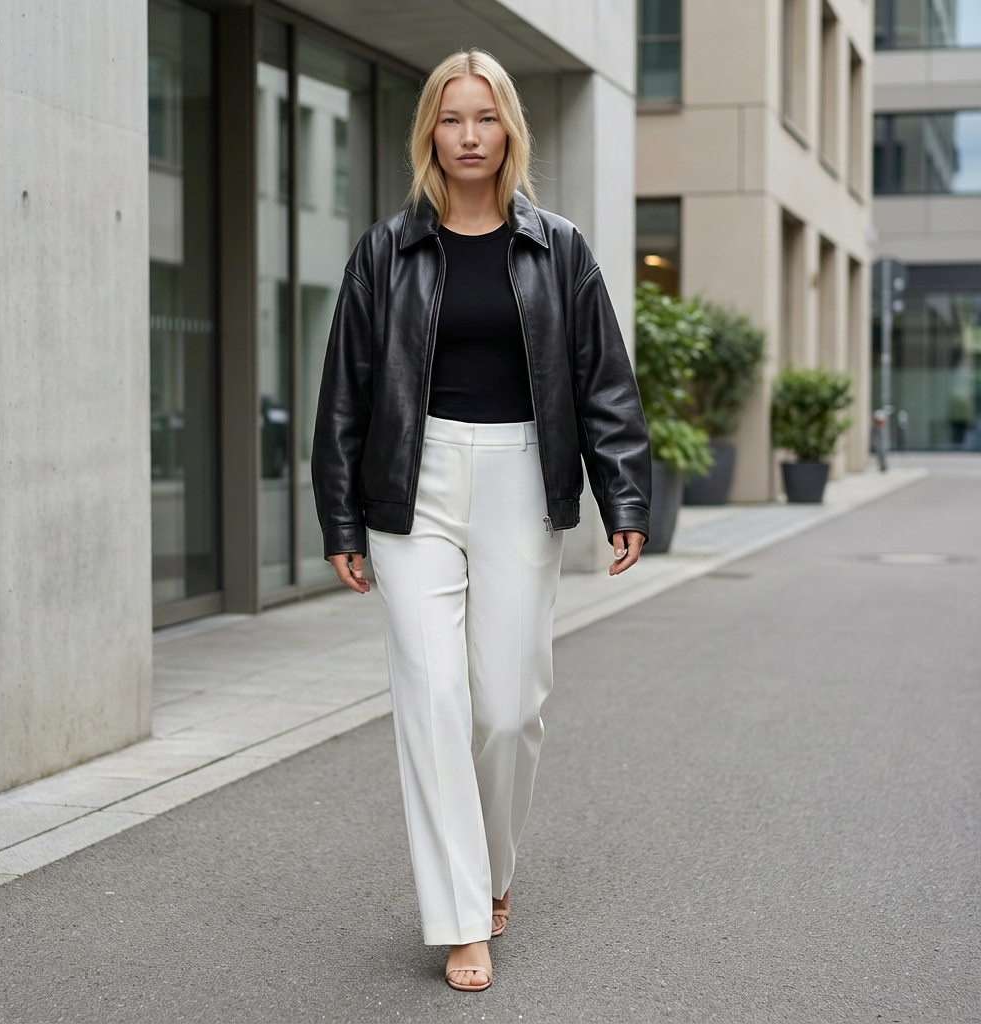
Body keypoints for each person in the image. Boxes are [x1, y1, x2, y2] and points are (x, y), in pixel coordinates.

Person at [311, 49, 651, 993]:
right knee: (431, 700)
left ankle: (494, 870)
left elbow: (603, 382)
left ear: (510, 130)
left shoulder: (561, 248)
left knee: (507, 709)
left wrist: (623, 493)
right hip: (410, 492)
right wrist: (341, 516)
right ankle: (463, 917)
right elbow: (345, 393)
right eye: (452, 119)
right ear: (429, 132)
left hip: (517, 480)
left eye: (485, 118)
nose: (469, 136)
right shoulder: (385, 251)